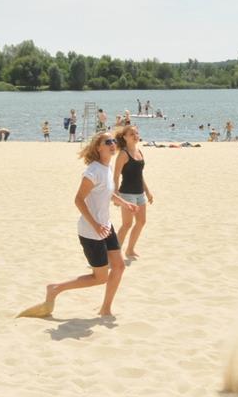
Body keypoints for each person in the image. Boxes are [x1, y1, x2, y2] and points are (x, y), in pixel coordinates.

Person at [25, 132, 138, 318]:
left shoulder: (107, 168)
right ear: (98, 147)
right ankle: (55, 288)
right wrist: (95, 225)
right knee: (100, 278)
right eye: (108, 142)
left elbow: (107, 192)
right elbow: (78, 200)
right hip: (91, 232)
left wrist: (124, 203)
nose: (113, 145)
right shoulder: (92, 171)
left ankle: (105, 309)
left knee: (118, 267)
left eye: (114, 142)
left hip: (106, 227)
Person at [114, 125, 154, 259]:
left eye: (137, 133)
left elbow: (139, 175)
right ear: (125, 137)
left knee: (141, 221)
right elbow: (115, 176)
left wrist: (147, 192)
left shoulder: (139, 152)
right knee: (127, 224)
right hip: (127, 194)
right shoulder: (123, 154)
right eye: (132, 134)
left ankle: (130, 250)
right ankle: (114, 254)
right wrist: (116, 195)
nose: (136, 135)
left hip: (140, 194)